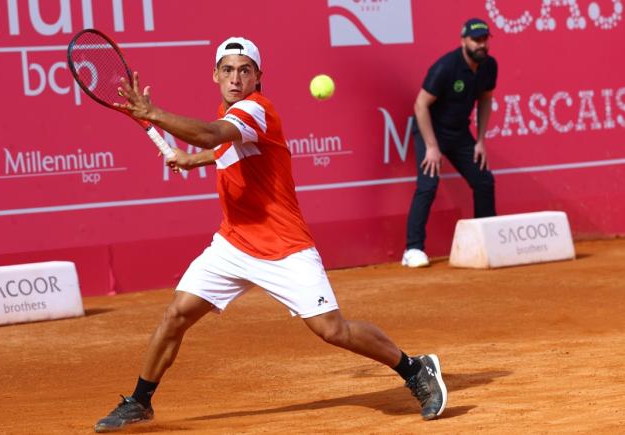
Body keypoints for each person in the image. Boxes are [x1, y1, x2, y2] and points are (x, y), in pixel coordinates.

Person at [93, 37, 447, 432]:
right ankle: (140, 401)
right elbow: (225, 148)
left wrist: (153, 113)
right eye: (227, 70)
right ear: (215, 75)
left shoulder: (256, 109)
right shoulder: (232, 112)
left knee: (333, 330)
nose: (235, 78)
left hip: (284, 246)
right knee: (176, 314)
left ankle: (415, 369)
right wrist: (193, 160)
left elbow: (213, 135)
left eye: (245, 70)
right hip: (233, 243)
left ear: (258, 77)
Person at [402, 18, 498, 268]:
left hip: (459, 133)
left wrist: (480, 140)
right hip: (429, 131)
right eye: (475, 40)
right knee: (428, 185)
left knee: (483, 180)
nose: (481, 44)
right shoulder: (446, 67)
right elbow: (420, 105)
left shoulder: (489, 66)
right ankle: (413, 249)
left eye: (484, 39)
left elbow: (486, 100)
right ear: (463, 41)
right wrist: (432, 147)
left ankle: (487, 241)